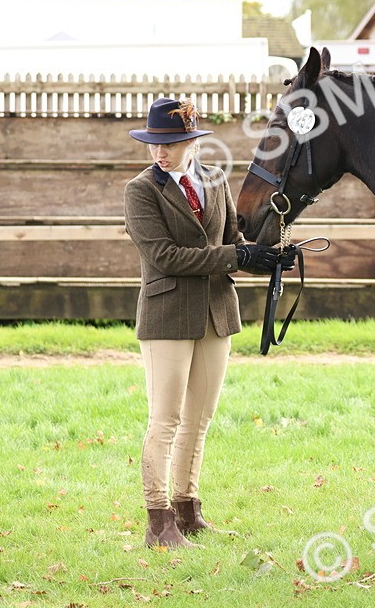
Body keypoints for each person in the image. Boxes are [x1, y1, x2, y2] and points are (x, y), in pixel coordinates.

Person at [124, 97, 292, 548]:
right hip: (167, 315)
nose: (160, 152)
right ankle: (158, 522)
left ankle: (188, 510)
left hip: (216, 312)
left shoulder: (215, 181)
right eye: (154, 143)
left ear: (193, 143)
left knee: (198, 419)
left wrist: (269, 258)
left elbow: (233, 240)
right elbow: (166, 257)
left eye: (171, 144)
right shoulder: (141, 190)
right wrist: (239, 255)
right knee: (166, 419)